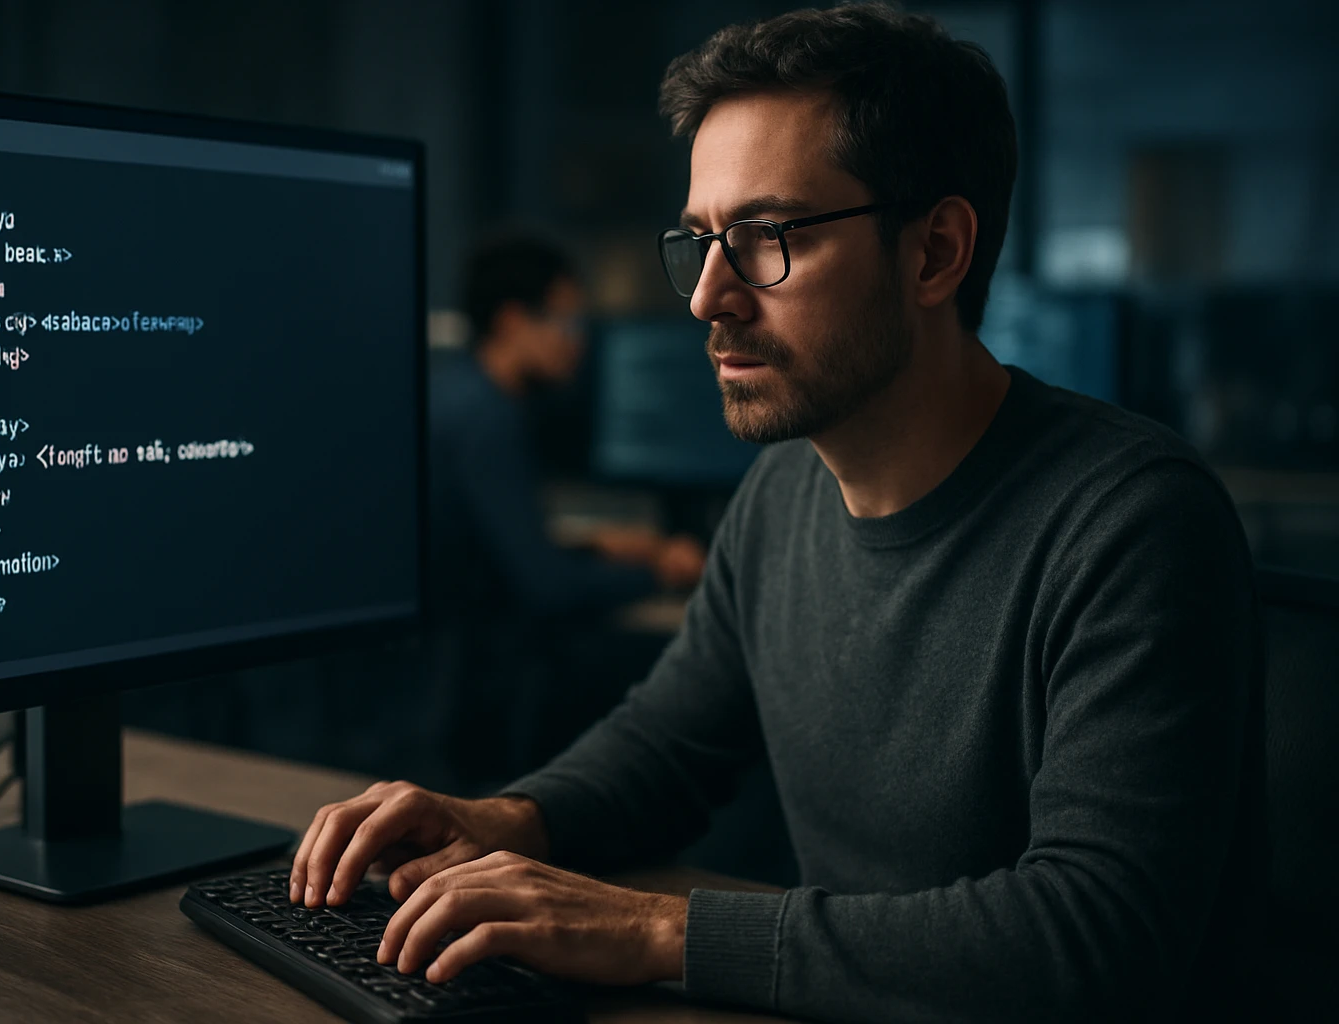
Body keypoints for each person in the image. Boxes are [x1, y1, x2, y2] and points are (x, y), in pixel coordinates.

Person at [290, 5, 1263, 1021]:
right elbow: (668, 747)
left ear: (935, 252)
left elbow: (1095, 935)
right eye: (701, 241)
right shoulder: (783, 489)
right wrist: (505, 821)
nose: (707, 297)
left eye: (763, 238)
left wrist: (653, 931)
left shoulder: (1132, 522)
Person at [428, 234, 706, 782]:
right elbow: (546, 587)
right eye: (565, 322)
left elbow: (489, 547)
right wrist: (662, 571)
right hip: (461, 695)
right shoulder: (488, 420)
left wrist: (597, 546)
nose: (577, 342)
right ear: (512, 321)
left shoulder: (456, 392)